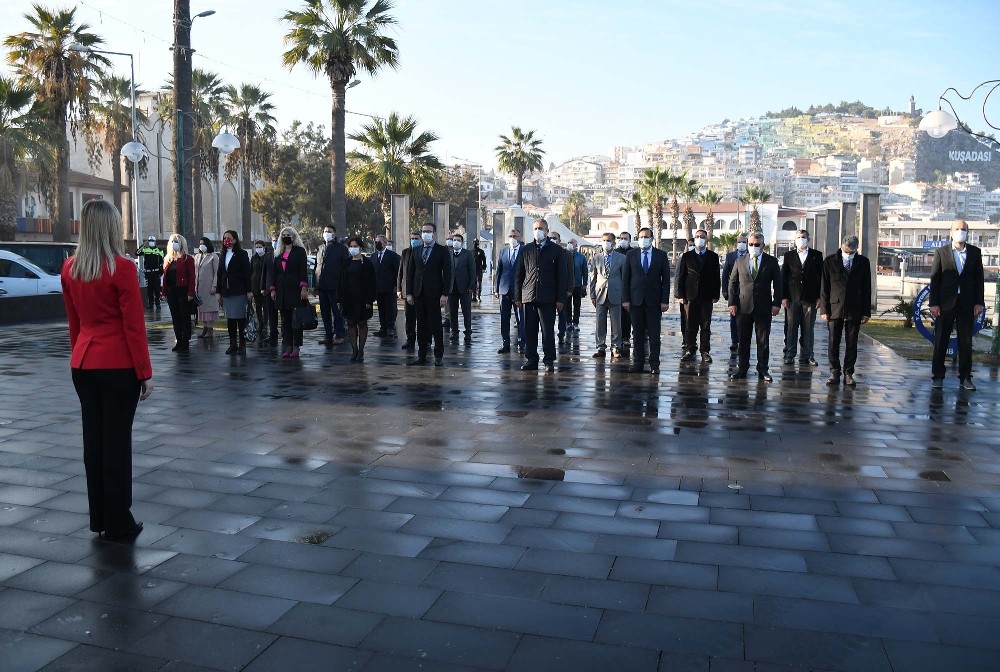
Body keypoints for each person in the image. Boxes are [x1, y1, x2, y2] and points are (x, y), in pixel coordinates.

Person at [61, 199, 152, 542]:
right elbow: (133, 327)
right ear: (111, 228)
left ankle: (99, 516)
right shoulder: (122, 268)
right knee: (116, 443)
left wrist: (78, 357)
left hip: (83, 363)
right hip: (117, 365)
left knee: (94, 443)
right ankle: (119, 520)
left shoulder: (70, 268)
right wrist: (144, 372)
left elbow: (74, 324)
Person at [929, 220, 985, 391]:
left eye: (964, 229)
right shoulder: (941, 253)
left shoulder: (975, 253)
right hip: (945, 304)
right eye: (957, 229)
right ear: (951, 232)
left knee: (966, 342)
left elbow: (979, 280)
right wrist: (934, 303)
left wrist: (979, 302)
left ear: (968, 232)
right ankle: (938, 376)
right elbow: (935, 279)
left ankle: (966, 377)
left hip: (967, 304)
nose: (961, 231)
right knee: (941, 340)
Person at [515, 218, 567, 372]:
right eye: (535, 228)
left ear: (546, 230)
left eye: (541, 228)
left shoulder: (556, 251)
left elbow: (561, 276)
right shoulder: (526, 249)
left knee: (547, 331)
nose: (538, 231)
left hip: (548, 298)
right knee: (529, 331)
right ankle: (531, 359)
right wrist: (518, 296)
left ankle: (549, 360)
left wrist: (560, 299)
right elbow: (519, 274)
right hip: (529, 296)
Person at [728, 232, 782, 381]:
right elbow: (732, 283)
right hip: (743, 307)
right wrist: (732, 302)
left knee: (763, 341)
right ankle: (742, 368)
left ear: (763, 246)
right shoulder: (740, 261)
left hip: (763, 307)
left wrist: (776, 303)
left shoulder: (771, 262)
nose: (753, 247)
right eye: (750, 244)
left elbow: (778, 284)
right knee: (743, 340)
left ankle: (763, 369)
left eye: (756, 245)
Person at [820, 235, 872, 387]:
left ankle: (848, 373)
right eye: (846, 251)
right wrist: (824, 309)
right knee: (833, 341)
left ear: (856, 249)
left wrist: (866, 311)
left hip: (855, 307)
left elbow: (867, 288)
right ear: (841, 246)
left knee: (852, 342)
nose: (848, 255)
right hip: (835, 306)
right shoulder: (829, 261)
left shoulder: (863, 262)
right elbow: (824, 287)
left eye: (851, 252)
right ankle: (834, 371)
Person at [622, 226, 671, 374]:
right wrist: (626, 299)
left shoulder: (661, 255)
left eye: (646, 237)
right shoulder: (631, 255)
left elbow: (666, 280)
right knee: (637, 334)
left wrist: (665, 300)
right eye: (641, 237)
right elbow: (626, 279)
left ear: (652, 239)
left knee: (654, 334)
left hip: (654, 301)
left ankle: (654, 364)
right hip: (636, 301)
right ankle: (638, 362)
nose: (644, 239)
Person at [406, 222, 452, 366]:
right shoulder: (416, 250)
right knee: (421, 325)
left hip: (435, 293)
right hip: (418, 293)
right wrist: (409, 293)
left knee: (435, 325)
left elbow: (448, 273)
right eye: (424, 231)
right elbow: (410, 273)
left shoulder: (442, 250)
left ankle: (438, 355)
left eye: (429, 231)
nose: (426, 233)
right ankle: (422, 355)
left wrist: (445, 294)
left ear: (434, 233)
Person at [676, 228, 721, 364]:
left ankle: (705, 351)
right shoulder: (687, 256)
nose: (699, 238)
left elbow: (716, 278)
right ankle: (690, 349)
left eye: (702, 236)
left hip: (706, 296)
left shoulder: (713, 257)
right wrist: (680, 295)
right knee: (690, 324)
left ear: (706, 240)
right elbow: (681, 277)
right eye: (697, 236)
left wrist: (716, 295)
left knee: (705, 325)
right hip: (690, 296)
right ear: (694, 239)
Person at [781, 229, 823, 366]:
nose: (801, 239)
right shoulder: (789, 256)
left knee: (808, 328)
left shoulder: (817, 255)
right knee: (791, 328)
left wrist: (819, 297)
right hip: (793, 298)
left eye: (803, 237)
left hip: (810, 298)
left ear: (808, 239)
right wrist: (783, 297)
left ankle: (808, 355)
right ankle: (790, 353)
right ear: (795, 240)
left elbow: (821, 278)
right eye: (799, 237)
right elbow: (783, 277)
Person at [269, 225, 309, 359]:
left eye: (289, 235)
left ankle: (296, 346)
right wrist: (272, 288)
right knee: (285, 320)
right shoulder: (278, 253)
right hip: (281, 289)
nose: (286, 237)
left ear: (294, 237)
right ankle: (288, 346)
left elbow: (303, 270)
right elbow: (273, 272)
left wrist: (304, 287)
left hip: (295, 289)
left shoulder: (300, 251)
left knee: (295, 320)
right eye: (284, 235)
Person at [339, 236, 377, 362]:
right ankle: (354, 349)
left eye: (355, 246)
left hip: (362, 299)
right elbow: (341, 281)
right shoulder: (346, 262)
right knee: (350, 323)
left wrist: (369, 300)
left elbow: (372, 283)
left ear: (360, 247)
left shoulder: (367, 263)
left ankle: (361, 350)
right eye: (351, 246)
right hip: (348, 298)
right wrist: (340, 299)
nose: (353, 248)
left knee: (362, 323)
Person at [216, 230, 253, 356]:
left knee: (240, 319)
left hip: (239, 290)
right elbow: (220, 273)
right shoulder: (223, 254)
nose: (227, 240)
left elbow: (247, 273)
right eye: (225, 238)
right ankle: (233, 344)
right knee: (230, 319)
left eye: (229, 238)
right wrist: (218, 291)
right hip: (227, 291)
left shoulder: (242, 254)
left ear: (235, 240)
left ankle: (242, 344)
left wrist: (249, 290)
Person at [589, 232, 626, 359]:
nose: (606, 243)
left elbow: (624, 278)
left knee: (616, 323)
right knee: (600, 322)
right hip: (600, 294)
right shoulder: (596, 258)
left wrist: (624, 296)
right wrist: (592, 295)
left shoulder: (621, 258)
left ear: (614, 243)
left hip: (616, 293)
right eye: (604, 240)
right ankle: (600, 347)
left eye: (609, 240)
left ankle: (616, 347)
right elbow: (592, 278)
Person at [314, 224, 349, 347]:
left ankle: (339, 335)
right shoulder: (320, 248)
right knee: (324, 312)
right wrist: (315, 285)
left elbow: (346, 268)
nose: (326, 233)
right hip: (322, 286)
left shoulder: (341, 249)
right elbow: (316, 267)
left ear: (334, 233)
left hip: (335, 286)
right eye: (324, 231)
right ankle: (328, 335)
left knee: (337, 313)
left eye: (329, 231)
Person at [162, 233, 196, 352]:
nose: (174, 243)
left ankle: (185, 342)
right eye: (172, 241)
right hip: (172, 292)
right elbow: (165, 278)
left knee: (184, 318)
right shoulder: (168, 259)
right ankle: (179, 341)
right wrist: (164, 292)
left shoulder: (188, 258)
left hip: (183, 291)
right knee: (175, 318)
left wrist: (191, 293)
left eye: (176, 241)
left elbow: (192, 277)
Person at [494, 228, 525, 354]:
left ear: (519, 237)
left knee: (520, 319)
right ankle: (505, 343)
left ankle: (522, 343)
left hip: (519, 291)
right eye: (510, 236)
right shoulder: (503, 251)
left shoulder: (524, 251)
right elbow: (499, 270)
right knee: (504, 318)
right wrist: (496, 288)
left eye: (515, 236)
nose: (512, 238)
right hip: (504, 290)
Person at [721, 233, 749, 356]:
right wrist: (725, 291)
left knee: (746, 318)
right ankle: (734, 341)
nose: (741, 244)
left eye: (744, 242)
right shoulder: (731, 256)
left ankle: (744, 341)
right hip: (734, 292)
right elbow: (725, 275)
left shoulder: (751, 255)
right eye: (739, 242)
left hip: (747, 294)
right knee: (734, 318)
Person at [448, 233, 477, 343]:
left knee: (466, 311)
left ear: (462, 242)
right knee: (452, 311)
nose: (455, 242)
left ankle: (468, 332)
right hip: (452, 288)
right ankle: (454, 331)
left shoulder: (468, 254)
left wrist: (471, 286)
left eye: (458, 240)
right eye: (454, 240)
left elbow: (472, 271)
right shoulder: (449, 254)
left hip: (465, 288)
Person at [372, 234, 400, 338]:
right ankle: (382, 328)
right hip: (378, 288)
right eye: (376, 242)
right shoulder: (373, 256)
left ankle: (390, 328)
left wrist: (397, 286)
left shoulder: (392, 255)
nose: (377, 244)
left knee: (390, 308)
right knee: (381, 308)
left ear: (385, 243)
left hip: (390, 287)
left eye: (379, 242)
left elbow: (398, 272)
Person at [397, 231, 420, 351]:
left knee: (422, 318)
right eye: (412, 238)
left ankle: (425, 341)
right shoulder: (406, 252)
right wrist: (399, 289)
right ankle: (410, 340)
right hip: (407, 291)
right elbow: (401, 272)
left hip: (420, 291)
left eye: (416, 238)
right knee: (409, 318)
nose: (414, 240)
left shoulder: (423, 251)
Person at [194, 237, 219, 340]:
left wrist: (214, 286)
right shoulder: (197, 256)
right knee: (201, 308)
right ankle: (205, 327)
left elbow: (217, 272)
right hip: (199, 287)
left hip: (209, 287)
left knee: (210, 308)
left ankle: (210, 328)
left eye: (203, 243)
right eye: (200, 243)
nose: (201, 245)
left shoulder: (213, 257)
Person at [250, 240, 271, 345]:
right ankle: (260, 323)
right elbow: (250, 271)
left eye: (259, 247)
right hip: (255, 285)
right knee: (257, 307)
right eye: (256, 247)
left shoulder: (267, 257)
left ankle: (266, 324)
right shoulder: (254, 258)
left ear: (264, 247)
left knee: (265, 306)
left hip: (264, 286)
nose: (258, 248)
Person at [617, 231, 633, 356]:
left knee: (630, 314)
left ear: (629, 240)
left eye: (625, 238)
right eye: (621, 238)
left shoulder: (633, 253)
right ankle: (620, 337)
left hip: (632, 288)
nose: (623, 240)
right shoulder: (616, 252)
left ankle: (629, 335)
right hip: (618, 288)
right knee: (620, 315)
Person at [567, 238, 588, 333]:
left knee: (577, 305)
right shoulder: (564, 255)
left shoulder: (581, 257)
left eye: (572, 243)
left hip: (577, 285)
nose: (570, 244)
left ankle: (575, 323)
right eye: (569, 243)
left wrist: (585, 283)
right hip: (567, 286)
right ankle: (568, 322)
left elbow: (585, 270)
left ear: (576, 246)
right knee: (567, 305)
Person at [137, 235, 164, 310]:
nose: (151, 242)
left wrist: (161, 272)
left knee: (157, 289)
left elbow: (162, 262)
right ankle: (151, 304)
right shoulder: (145, 250)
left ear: (155, 242)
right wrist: (143, 245)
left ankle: (158, 303)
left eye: (152, 241)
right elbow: (137, 253)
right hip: (148, 273)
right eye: (150, 241)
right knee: (149, 290)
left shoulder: (159, 250)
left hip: (156, 273)